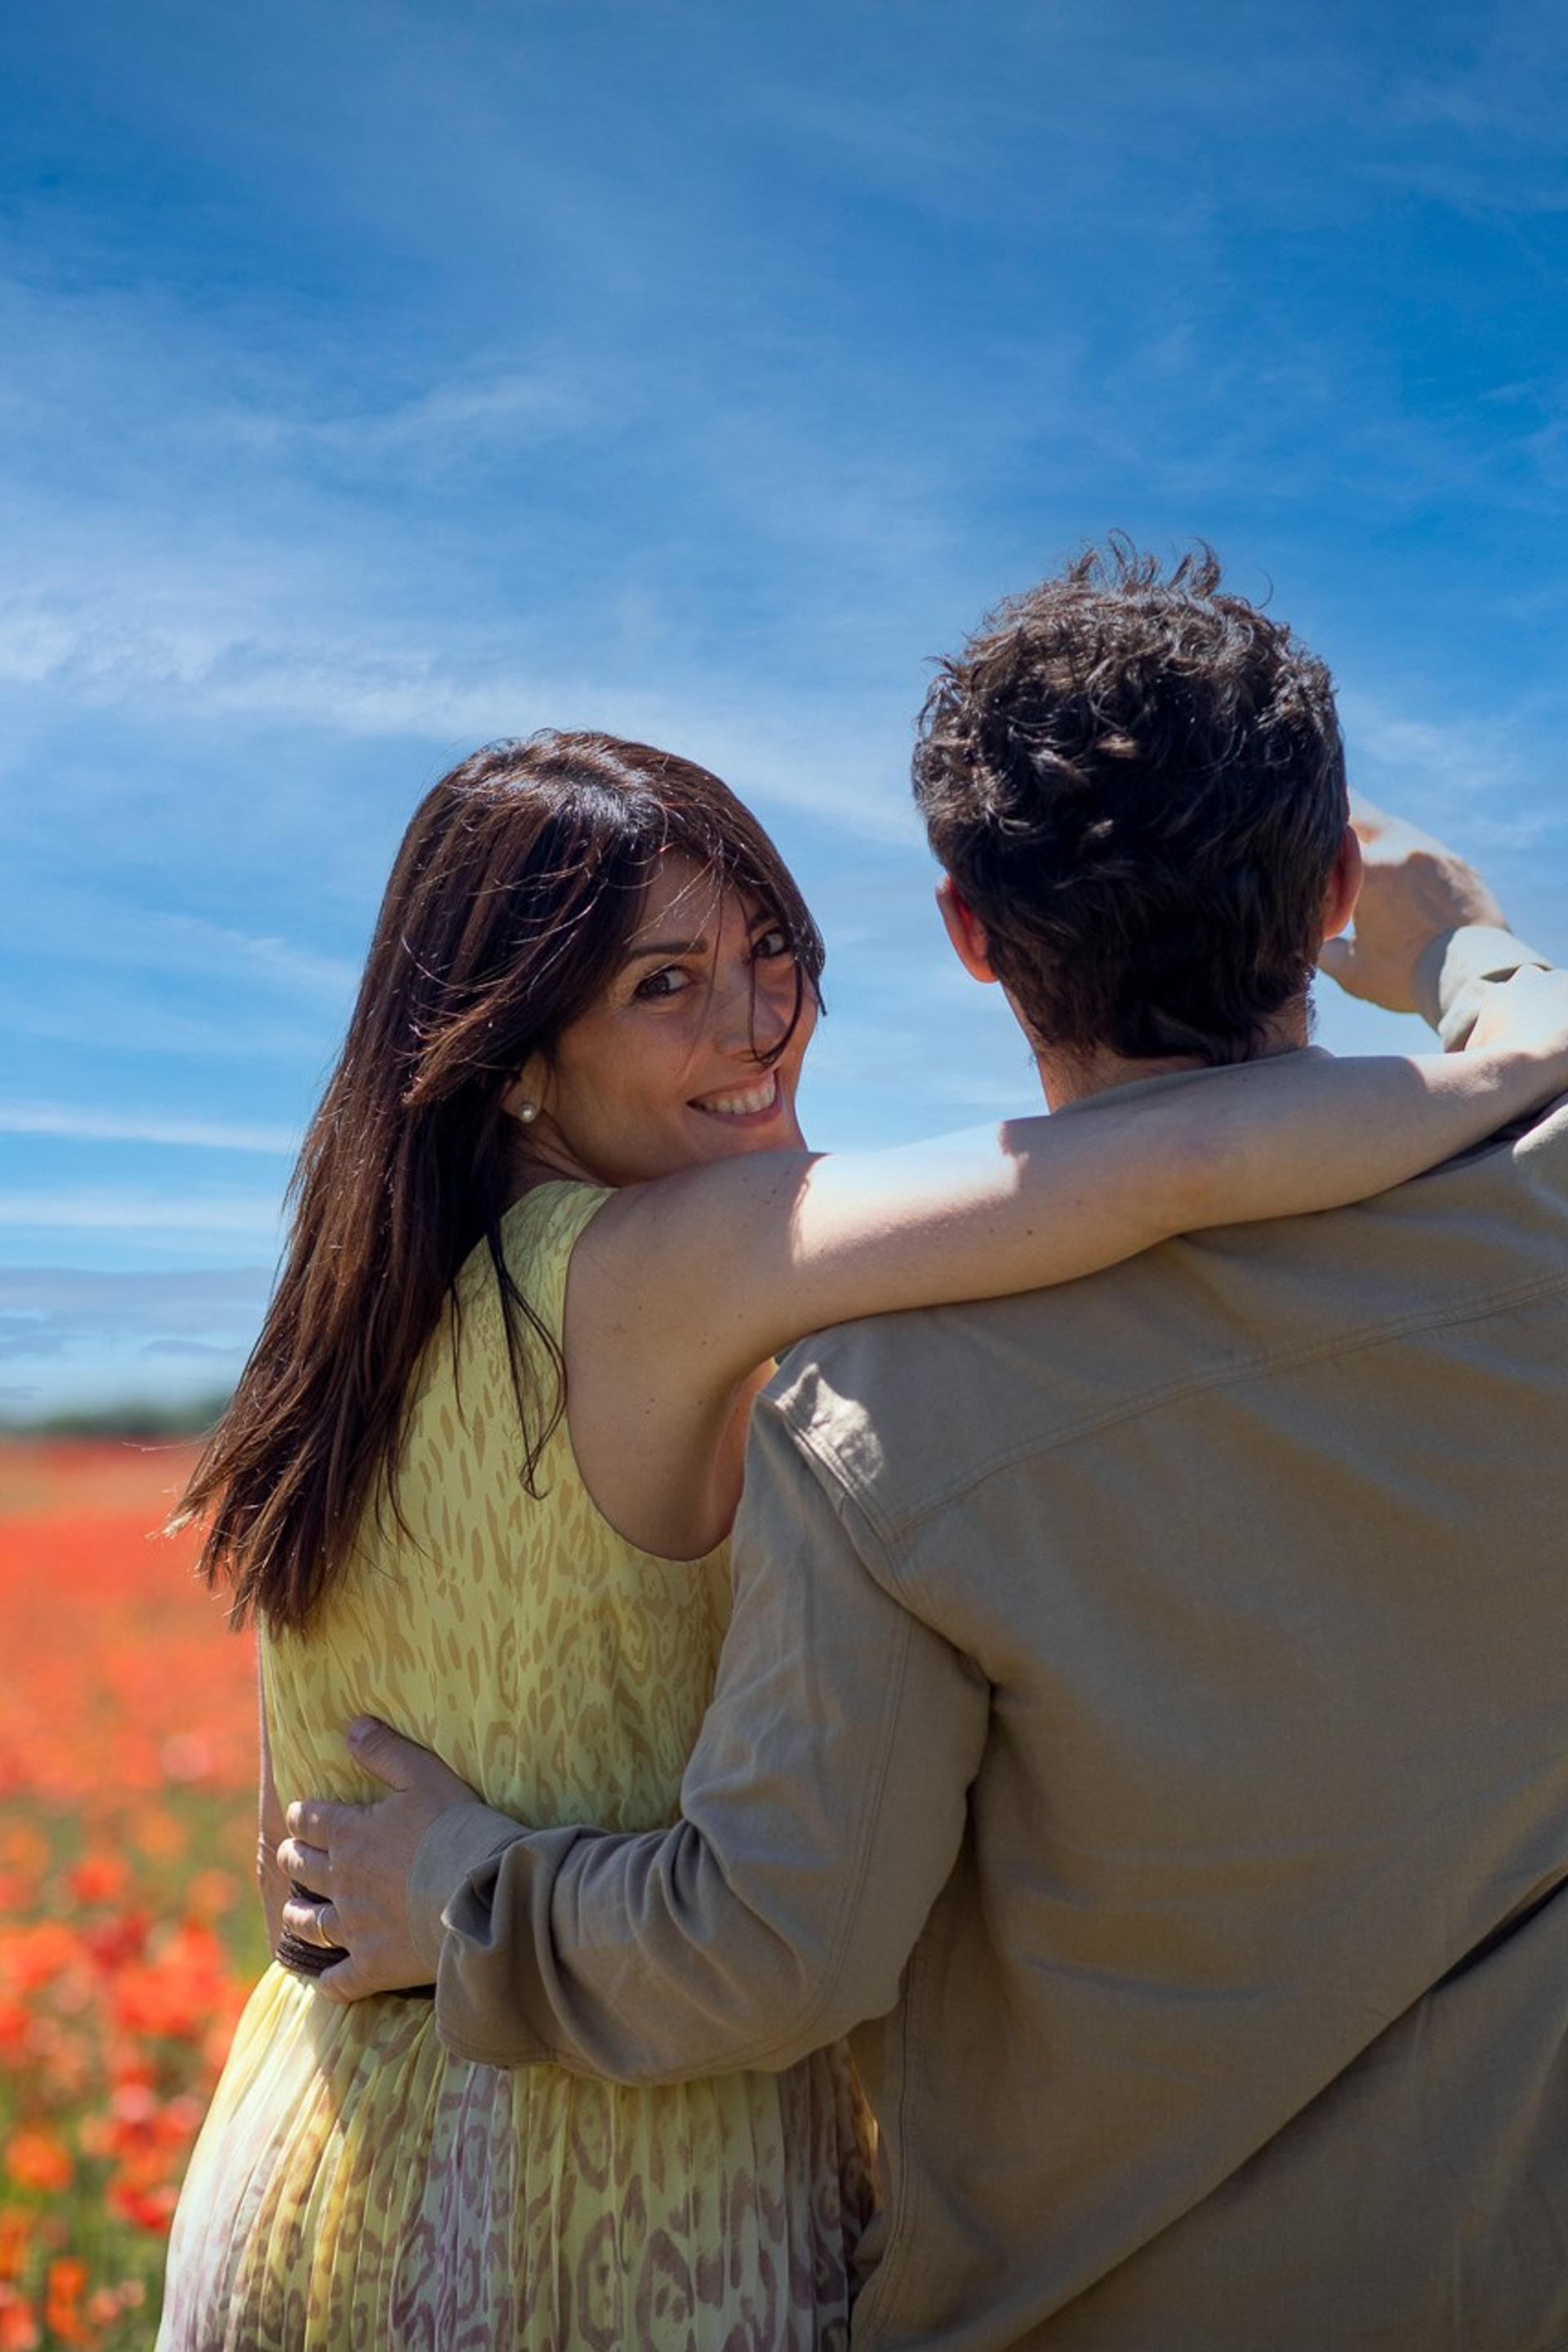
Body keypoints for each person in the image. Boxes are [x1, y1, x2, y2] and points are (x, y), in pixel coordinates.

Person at [284, 554, 1568, 2350]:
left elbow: (772, 1951)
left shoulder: (880, 1403)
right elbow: (1212, 1151)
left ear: (969, 931)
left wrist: (459, 1892)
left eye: (765, 960)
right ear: (1330, 889)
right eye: (666, 982)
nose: (755, 1020)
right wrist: (1476, 971)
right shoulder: (1542, 1208)